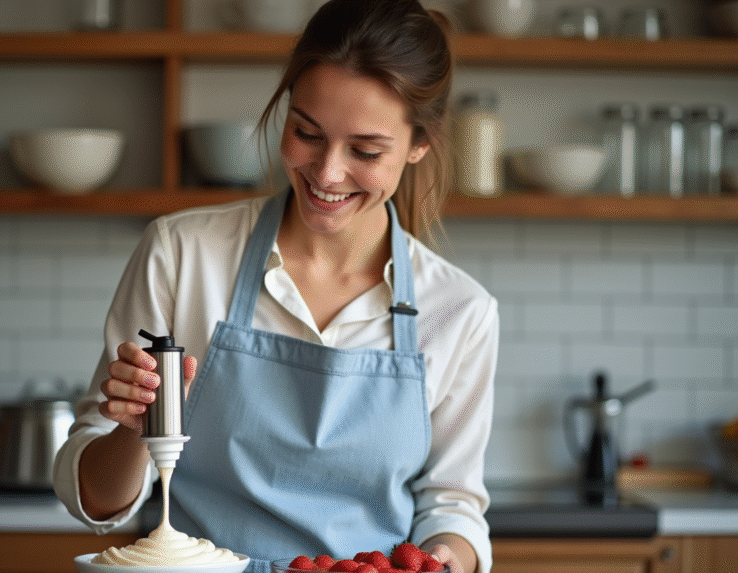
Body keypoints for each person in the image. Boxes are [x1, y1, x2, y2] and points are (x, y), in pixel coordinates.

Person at [53, 1, 498, 572]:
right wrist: (131, 431)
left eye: (365, 151)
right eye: (306, 133)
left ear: (419, 144)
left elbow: (452, 503)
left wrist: (442, 562)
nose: (327, 172)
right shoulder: (183, 255)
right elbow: (92, 502)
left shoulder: (459, 310)